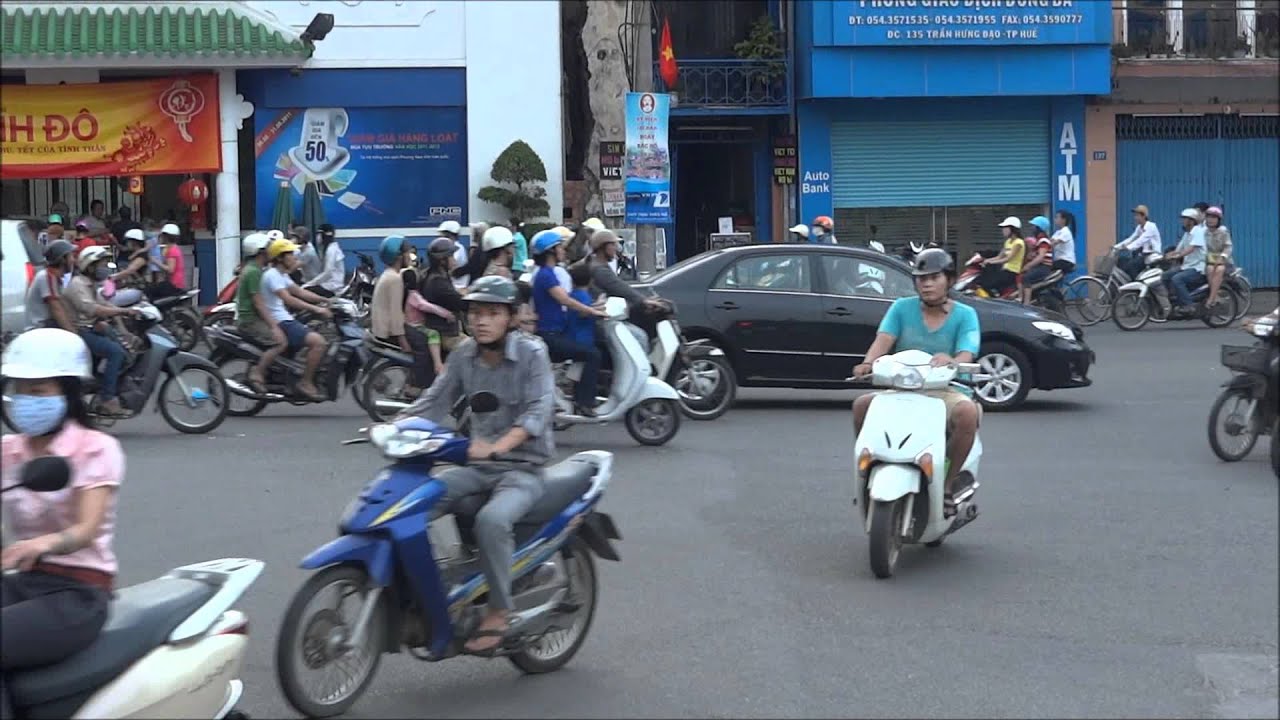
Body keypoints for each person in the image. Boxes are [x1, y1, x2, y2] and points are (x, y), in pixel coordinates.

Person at [396, 275, 555, 654]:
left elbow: (539, 409)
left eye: (492, 313)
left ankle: (500, 609)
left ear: (512, 318)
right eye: (476, 313)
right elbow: (434, 401)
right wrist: (392, 427)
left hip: (523, 468)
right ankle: (432, 587)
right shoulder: (464, 356)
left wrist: (500, 445)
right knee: (413, 502)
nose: (481, 321)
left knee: (493, 520)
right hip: (479, 463)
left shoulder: (533, 354)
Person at [1, 330, 123, 713]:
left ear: (67, 393)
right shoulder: (9, 450)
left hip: (78, 593)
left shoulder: (95, 449)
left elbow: (87, 529)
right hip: (25, 582)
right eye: (21, 390)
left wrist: (43, 544)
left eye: (39, 391)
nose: (27, 400)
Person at [851, 248, 981, 516]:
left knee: (967, 412)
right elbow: (883, 341)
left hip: (944, 390)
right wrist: (868, 363)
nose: (927, 283)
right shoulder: (901, 307)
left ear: (950, 280)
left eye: (934, 277)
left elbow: (967, 351)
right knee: (862, 405)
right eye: (921, 278)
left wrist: (954, 360)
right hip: (901, 388)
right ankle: (868, 474)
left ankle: (947, 484)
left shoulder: (966, 314)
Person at [530, 230, 607, 415]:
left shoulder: (548, 273)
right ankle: (584, 402)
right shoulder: (546, 275)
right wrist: (592, 311)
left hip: (557, 332)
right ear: (550, 252)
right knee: (592, 354)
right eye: (560, 248)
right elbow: (565, 300)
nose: (563, 251)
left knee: (593, 348)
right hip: (549, 336)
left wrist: (595, 306)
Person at [62, 247, 141, 417]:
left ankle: (100, 388)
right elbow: (93, 309)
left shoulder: (89, 284)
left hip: (91, 328)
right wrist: (123, 312)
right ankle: (107, 400)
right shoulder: (77, 285)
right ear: (89, 266)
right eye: (101, 264)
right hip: (80, 331)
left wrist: (124, 329)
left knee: (122, 348)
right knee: (115, 353)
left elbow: (107, 306)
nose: (104, 268)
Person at [261, 238, 332, 400]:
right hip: (280, 321)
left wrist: (326, 300)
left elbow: (300, 292)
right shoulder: (272, 275)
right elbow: (289, 299)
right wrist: (317, 309)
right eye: (290, 254)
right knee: (318, 342)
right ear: (279, 258)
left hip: (284, 318)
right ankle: (305, 382)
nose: (294, 258)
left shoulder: (281, 275)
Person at [233, 233, 287, 392]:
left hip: (250, 317)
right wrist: (273, 326)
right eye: (268, 248)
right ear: (260, 251)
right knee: (281, 342)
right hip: (250, 320)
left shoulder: (254, 269)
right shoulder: (253, 272)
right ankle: (257, 372)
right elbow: (258, 303)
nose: (271, 251)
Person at [371, 235, 420, 393]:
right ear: (399, 256)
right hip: (388, 331)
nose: (410, 256)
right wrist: (403, 340)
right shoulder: (395, 279)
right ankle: (414, 386)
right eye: (407, 253)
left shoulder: (388, 274)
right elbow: (395, 313)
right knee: (425, 344)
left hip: (380, 327)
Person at [422, 236, 469, 355]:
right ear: (442, 260)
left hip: (448, 330)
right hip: (445, 334)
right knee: (475, 351)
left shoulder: (437, 275)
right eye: (451, 256)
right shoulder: (438, 282)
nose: (454, 260)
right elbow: (460, 303)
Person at [24, 240, 78, 333]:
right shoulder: (47, 277)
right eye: (71, 256)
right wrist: (74, 333)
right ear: (62, 259)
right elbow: (56, 309)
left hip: (49, 325)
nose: (73, 260)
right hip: (41, 328)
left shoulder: (55, 278)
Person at [1163, 208, 1208, 316]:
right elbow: (1179, 249)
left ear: (1192, 221)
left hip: (1198, 267)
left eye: (1185, 219)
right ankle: (1174, 301)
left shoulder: (1198, 231)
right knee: (1165, 276)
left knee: (1177, 279)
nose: (1182, 221)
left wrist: (1179, 255)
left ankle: (1189, 305)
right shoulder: (1187, 234)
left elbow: (1191, 248)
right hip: (1187, 266)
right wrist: (1167, 255)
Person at [978, 217, 1026, 298]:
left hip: (1012, 272)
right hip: (1005, 270)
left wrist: (990, 262)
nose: (1003, 230)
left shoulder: (1018, 243)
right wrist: (985, 260)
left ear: (1012, 229)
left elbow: (1008, 259)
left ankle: (995, 300)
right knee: (982, 281)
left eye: (1005, 228)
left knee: (987, 284)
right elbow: (999, 256)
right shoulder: (1007, 242)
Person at [1116, 204, 1162, 279]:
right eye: (1135, 215)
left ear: (1143, 216)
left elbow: (1141, 241)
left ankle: (1137, 285)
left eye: (1137, 216)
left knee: (1132, 266)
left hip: (1152, 255)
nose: (1135, 218)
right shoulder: (1139, 227)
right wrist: (1116, 247)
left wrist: (1128, 247)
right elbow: (1131, 238)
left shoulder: (1151, 226)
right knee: (1121, 261)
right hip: (1143, 255)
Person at [1020, 216, 1055, 304]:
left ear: (1039, 228)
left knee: (1026, 277)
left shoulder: (1043, 240)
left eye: (1033, 226)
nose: (1032, 229)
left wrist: (1028, 265)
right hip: (1040, 266)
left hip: (1043, 267)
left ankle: (1026, 303)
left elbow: (1041, 256)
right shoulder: (1039, 240)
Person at [1203, 206, 1233, 306]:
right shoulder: (1204, 232)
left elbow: (1228, 247)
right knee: (1210, 269)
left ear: (1219, 220)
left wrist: (1223, 257)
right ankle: (1215, 296)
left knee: (1219, 269)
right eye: (1209, 217)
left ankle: (1211, 299)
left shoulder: (1223, 231)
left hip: (1224, 261)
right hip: (1209, 261)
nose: (1211, 220)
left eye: (1214, 218)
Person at [566, 263, 597, 349]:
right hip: (583, 340)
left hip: (570, 336)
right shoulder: (585, 297)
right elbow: (584, 313)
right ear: (591, 281)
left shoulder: (570, 296)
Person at [310, 223, 346, 297]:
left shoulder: (331, 250)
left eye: (319, 234)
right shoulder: (329, 249)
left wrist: (311, 283)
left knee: (305, 291)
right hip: (329, 284)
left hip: (332, 286)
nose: (317, 237)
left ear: (324, 235)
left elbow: (327, 273)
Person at [1050, 209, 1078, 277]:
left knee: (1047, 268)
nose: (1055, 220)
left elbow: (1054, 243)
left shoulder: (1066, 232)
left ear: (1063, 220)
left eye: (1057, 217)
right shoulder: (1058, 232)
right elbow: (1050, 241)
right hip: (1060, 260)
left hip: (1066, 261)